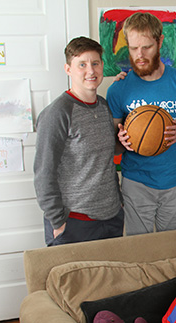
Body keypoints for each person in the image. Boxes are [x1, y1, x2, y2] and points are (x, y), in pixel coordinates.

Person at [107, 12, 176, 235]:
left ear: (159, 42)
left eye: (147, 47)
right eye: (133, 48)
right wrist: (120, 142)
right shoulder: (119, 89)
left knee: (170, 248)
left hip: (174, 180)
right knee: (139, 249)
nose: (139, 55)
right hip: (136, 182)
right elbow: (113, 148)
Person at [34, 37, 123, 246]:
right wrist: (58, 222)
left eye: (95, 63)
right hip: (74, 223)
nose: (90, 71)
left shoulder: (103, 106)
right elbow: (43, 174)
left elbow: (104, 156)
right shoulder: (57, 113)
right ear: (68, 69)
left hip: (111, 218)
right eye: (82, 64)